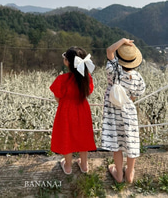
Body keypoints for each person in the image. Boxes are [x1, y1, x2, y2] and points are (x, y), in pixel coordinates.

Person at [102, 38, 146, 183]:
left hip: (113, 113)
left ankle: (119, 174)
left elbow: (109, 50)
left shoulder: (113, 70)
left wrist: (122, 41)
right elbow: (137, 94)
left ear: (119, 58)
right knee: (131, 141)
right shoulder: (138, 78)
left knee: (117, 143)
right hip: (129, 113)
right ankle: (130, 172)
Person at [50, 46, 97, 175]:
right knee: (83, 135)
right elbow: (89, 92)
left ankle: (68, 166)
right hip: (82, 108)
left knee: (67, 136)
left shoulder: (62, 79)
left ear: (67, 62)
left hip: (66, 110)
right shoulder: (86, 78)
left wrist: (66, 104)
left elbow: (57, 96)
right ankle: (84, 164)